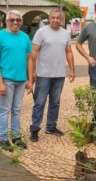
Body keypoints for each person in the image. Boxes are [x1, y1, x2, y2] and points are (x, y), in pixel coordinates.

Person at [29, 10, 75, 142]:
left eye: (58, 18)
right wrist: (33, 71)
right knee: (39, 102)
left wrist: (72, 70)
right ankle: (34, 129)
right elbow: (34, 52)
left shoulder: (66, 33)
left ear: (62, 20)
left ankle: (51, 126)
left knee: (55, 102)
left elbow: (69, 52)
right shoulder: (41, 32)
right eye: (53, 18)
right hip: (43, 75)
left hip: (59, 75)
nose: (55, 20)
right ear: (49, 18)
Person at [0, 10, 33, 151]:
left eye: (18, 20)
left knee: (17, 110)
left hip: (22, 80)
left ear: (21, 22)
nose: (15, 22)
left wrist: (30, 80)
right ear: (6, 21)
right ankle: (3, 139)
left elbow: (29, 59)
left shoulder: (25, 37)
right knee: (5, 110)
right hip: (7, 79)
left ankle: (16, 137)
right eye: (12, 20)